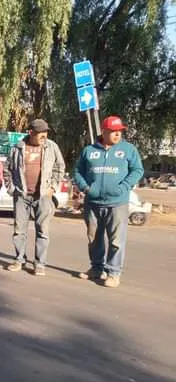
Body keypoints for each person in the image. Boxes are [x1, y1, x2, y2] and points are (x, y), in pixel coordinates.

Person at [73, 115, 144, 288]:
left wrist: (124, 187)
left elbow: (137, 170)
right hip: (93, 202)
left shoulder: (128, 149)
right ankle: (97, 268)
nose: (117, 134)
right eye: (113, 131)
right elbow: (77, 171)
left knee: (116, 240)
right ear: (103, 131)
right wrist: (86, 188)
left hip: (117, 202)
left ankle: (113, 273)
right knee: (94, 238)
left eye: (119, 131)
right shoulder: (89, 150)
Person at [4, 118, 66, 276]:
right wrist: (12, 188)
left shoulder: (52, 147)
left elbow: (60, 167)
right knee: (19, 230)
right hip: (22, 195)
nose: (44, 136)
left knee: (43, 231)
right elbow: (7, 169)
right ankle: (19, 259)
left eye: (46, 133)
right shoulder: (17, 148)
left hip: (43, 196)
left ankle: (39, 263)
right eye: (40, 133)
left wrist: (53, 187)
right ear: (31, 132)